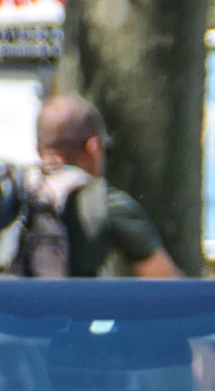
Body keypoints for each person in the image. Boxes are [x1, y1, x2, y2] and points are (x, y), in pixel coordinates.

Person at [34, 95, 182, 278]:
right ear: (93, 148)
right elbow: (167, 284)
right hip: (70, 305)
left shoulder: (12, 194)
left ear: (39, 151)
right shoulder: (107, 203)